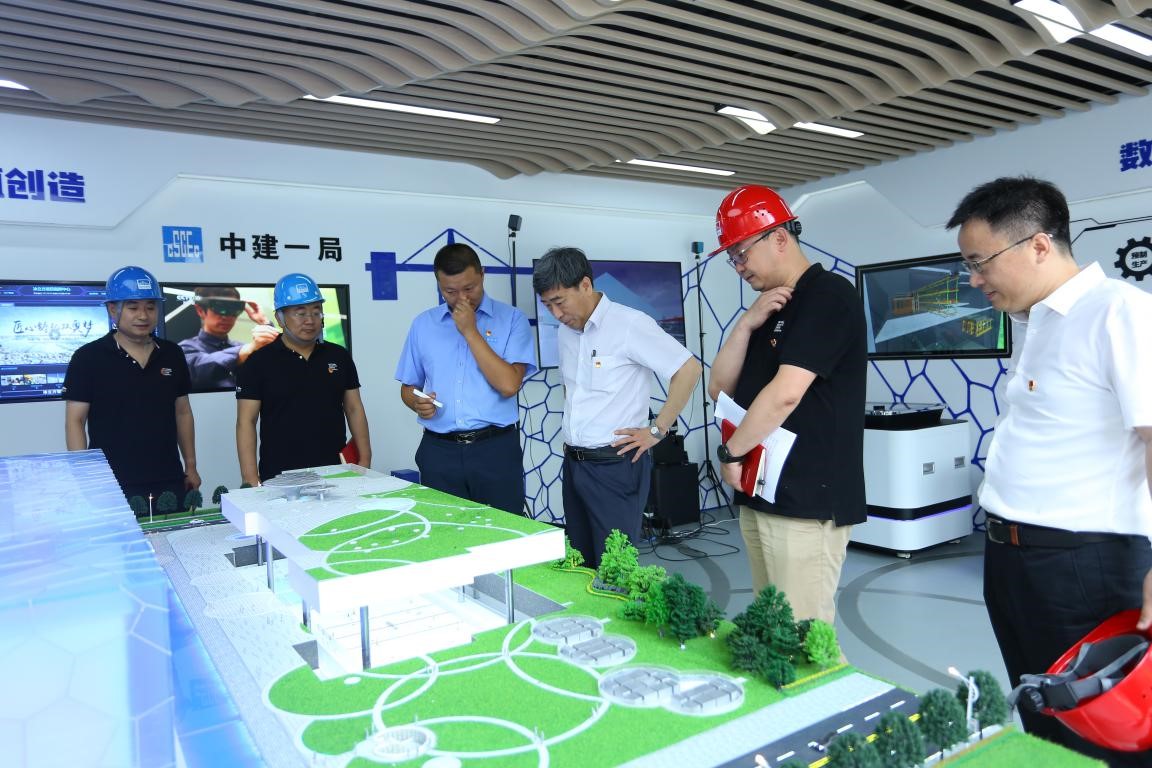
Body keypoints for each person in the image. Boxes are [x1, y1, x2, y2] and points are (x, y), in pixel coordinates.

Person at [947, 176, 1152, 767]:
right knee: (1045, 726)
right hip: (1014, 562)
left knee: (1100, 733)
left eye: (980, 262)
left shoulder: (1119, 312)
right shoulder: (1039, 322)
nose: (974, 279)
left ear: (1038, 244)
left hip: (1084, 570)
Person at [707, 184, 866, 625]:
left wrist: (731, 453)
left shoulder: (828, 296)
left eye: (741, 253)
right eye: (732, 258)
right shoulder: (769, 305)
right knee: (772, 626)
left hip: (807, 499)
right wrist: (746, 325)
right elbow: (719, 388)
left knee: (803, 632)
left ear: (779, 237)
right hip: (761, 491)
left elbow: (786, 393)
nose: (739, 266)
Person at [534, 247, 701, 569]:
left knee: (615, 565)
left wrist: (657, 430)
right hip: (575, 464)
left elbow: (688, 369)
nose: (555, 314)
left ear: (585, 285)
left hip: (616, 465)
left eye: (559, 302)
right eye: (547, 305)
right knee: (580, 560)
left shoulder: (629, 324)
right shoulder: (565, 333)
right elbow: (573, 389)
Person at [395, 244, 537, 515]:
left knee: (504, 530)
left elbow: (509, 385)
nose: (461, 298)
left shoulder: (512, 320)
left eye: (469, 288)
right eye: (450, 291)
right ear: (438, 284)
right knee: (443, 530)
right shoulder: (423, 324)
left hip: (495, 450)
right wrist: (417, 403)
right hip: (439, 451)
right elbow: (408, 387)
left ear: (482, 274)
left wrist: (470, 331)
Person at [63, 265, 200, 509]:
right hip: (110, 481)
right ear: (112, 309)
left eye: (150, 307)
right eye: (133, 307)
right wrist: (84, 476)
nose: (143, 315)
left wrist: (190, 465)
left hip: (168, 476)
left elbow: (183, 412)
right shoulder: (88, 357)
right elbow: (75, 420)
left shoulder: (172, 353)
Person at [235, 272, 371, 485]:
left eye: (316, 312)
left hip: (336, 470)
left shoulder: (338, 356)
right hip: (280, 475)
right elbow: (246, 422)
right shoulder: (258, 362)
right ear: (280, 318)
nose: (310, 320)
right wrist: (250, 478)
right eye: (300, 313)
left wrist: (364, 458)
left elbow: (354, 408)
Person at [178, 285, 279, 390]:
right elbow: (196, 370)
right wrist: (244, 352)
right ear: (200, 310)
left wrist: (264, 322)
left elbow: (277, 368)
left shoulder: (245, 348)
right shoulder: (184, 349)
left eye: (233, 309)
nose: (226, 317)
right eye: (219, 308)